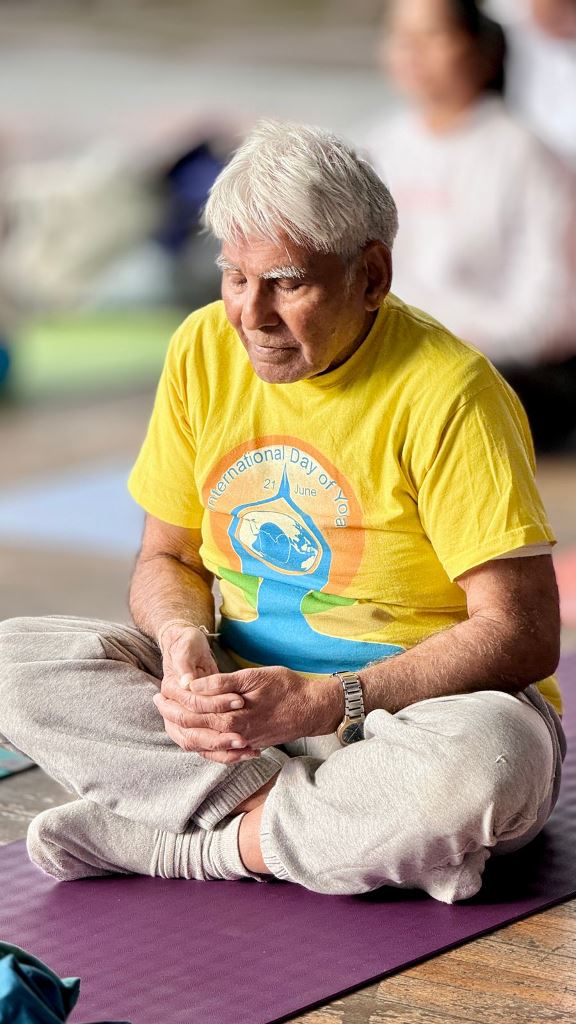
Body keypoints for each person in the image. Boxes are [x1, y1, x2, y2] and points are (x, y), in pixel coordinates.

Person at [0, 121, 566, 904]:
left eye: (286, 283)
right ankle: (322, 826)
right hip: (243, 697)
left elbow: (523, 632)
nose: (250, 315)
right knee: (15, 666)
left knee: (491, 763)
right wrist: (180, 645)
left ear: (371, 276)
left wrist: (333, 700)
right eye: (235, 277)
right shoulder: (202, 348)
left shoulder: (451, 392)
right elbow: (168, 558)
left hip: (415, 712)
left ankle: (187, 841)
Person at [364, 0, 576, 450]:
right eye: (401, 37)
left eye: (433, 35)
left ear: (483, 50)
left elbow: (550, 314)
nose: (413, 51)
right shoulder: (373, 149)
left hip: (500, 367)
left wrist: (441, 344)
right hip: (395, 354)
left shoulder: (529, 156)